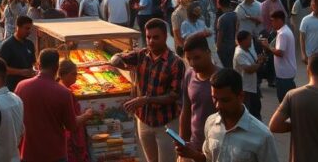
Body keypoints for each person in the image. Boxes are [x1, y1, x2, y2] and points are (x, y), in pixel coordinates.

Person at [111, 18, 185, 162]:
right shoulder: (141, 55)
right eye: (148, 37)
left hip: (166, 122)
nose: (151, 41)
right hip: (144, 120)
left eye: (155, 37)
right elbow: (116, 57)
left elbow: (173, 95)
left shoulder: (176, 63)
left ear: (165, 37)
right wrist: (121, 64)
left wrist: (146, 99)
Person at [174, 68, 279, 162]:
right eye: (215, 98)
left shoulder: (262, 136)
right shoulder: (210, 123)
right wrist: (194, 155)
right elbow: (209, 159)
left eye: (225, 100)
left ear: (241, 96)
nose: (218, 105)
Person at [15, 49, 78, 162]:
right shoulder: (63, 92)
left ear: (39, 65)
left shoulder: (21, 86)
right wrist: (86, 115)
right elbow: (71, 126)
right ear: (57, 67)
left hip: (27, 151)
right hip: (54, 153)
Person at [179, 36, 218, 153]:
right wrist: (183, 143)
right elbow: (186, 112)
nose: (192, 63)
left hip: (216, 147)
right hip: (195, 145)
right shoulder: (189, 75)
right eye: (188, 59)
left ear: (208, 53)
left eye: (197, 58)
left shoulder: (222, 78)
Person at [57, 60, 93, 162]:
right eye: (74, 74)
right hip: (71, 139)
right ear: (65, 75)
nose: (76, 77)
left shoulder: (61, 88)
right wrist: (87, 115)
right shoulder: (65, 92)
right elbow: (71, 121)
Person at [261, 10, 296, 103]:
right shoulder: (285, 31)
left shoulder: (282, 34)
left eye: (272, 21)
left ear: (279, 20)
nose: (271, 23)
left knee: (285, 102)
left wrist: (267, 46)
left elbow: (280, 53)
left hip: (284, 74)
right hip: (287, 72)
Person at [0, 15, 36, 92]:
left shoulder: (30, 44)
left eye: (30, 29)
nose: (29, 31)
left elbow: (33, 63)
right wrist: (21, 72)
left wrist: (34, 71)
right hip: (12, 87)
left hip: (27, 86)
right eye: (26, 28)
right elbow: (1, 68)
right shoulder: (7, 45)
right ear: (17, 27)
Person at [233, 31, 265, 120]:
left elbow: (254, 63)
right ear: (242, 41)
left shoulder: (249, 49)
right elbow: (249, 69)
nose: (251, 42)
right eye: (249, 40)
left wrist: (259, 61)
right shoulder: (239, 53)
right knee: (249, 110)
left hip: (252, 85)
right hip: (245, 88)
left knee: (256, 106)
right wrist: (260, 63)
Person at [214, 0, 239, 69]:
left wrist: (217, 48)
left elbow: (220, 35)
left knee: (227, 68)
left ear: (220, 5)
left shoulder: (222, 19)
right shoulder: (236, 15)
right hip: (235, 46)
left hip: (225, 48)